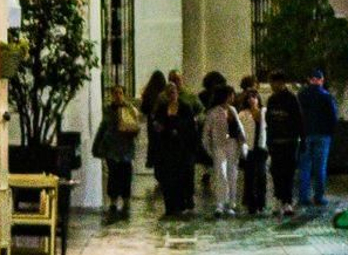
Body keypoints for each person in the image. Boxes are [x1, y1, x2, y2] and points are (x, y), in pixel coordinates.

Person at [92, 82, 142, 216]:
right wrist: (97, 145)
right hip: (112, 147)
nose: (118, 96)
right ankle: (113, 200)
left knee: (125, 174)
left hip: (126, 147)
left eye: (120, 93)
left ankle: (126, 199)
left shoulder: (129, 109)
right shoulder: (108, 110)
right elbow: (103, 127)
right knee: (113, 174)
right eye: (115, 93)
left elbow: (135, 126)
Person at [153, 76, 199, 217]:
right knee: (168, 177)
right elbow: (157, 123)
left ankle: (182, 203)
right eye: (169, 93)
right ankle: (170, 205)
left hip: (182, 147)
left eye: (174, 92)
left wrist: (178, 129)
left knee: (182, 176)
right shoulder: (162, 108)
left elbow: (190, 126)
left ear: (177, 93)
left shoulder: (185, 107)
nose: (172, 95)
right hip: (167, 147)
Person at [297, 66, 340, 210]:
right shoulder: (326, 96)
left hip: (306, 135)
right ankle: (319, 196)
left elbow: (297, 115)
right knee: (320, 167)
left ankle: (303, 197)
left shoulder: (302, 95)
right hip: (323, 135)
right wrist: (332, 132)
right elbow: (333, 117)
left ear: (310, 80)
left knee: (305, 167)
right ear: (321, 80)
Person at [200, 79, 243, 217]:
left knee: (232, 174)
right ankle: (220, 203)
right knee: (221, 174)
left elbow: (239, 128)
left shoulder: (233, 110)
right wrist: (209, 149)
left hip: (232, 145)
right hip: (218, 146)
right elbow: (206, 133)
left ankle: (231, 203)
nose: (233, 97)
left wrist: (242, 144)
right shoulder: (213, 113)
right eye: (231, 94)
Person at [264, 72, 301, 216]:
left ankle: (287, 201)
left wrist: (300, 138)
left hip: (289, 142)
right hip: (276, 142)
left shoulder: (291, 99)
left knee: (288, 173)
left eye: (273, 83)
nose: (272, 86)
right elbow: (269, 120)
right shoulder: (272, 100)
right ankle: (278, 199)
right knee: (276, 172)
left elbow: (298, 119)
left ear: (281, 82)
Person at [237, 75, 267, 215]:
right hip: (248, 148)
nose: (252, 100)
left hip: (261, 148)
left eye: (254, 97)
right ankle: (251, 203)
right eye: (249, 98)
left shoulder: (264, 112)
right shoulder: (243, 114)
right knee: (249, 176)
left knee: (261, 175)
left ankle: (261, 201)